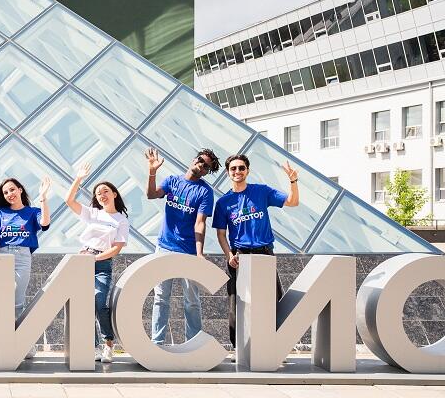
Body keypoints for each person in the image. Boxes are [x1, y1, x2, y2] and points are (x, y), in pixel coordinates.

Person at [212, 154, 300, 345]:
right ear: (227, 173)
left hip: (264, 252)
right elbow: (221, 234)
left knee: (273, 301)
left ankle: (275, 345)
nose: (237, 171)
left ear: (248, 170)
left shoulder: (261, 191)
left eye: (241, 168)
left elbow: (293, 202)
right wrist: (229, 255)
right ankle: (239, 348)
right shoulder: (223, 202)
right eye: (233, 168)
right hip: (239, 256)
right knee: (237, 303)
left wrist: (293, 181)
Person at [145, 146, 220, 345]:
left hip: (188, 251)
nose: (201, 165)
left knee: (192, 300)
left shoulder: (205, 192)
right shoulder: (172, 181)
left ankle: (193, 344)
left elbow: (200, 223)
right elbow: (151, 194)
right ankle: (157, 343)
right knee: (161, 297)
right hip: (164, 247)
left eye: (206, 166)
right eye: (200, 160)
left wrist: (199, 253)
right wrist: (152, 171)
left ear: (207, 172)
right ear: (194, 159)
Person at [65, 163, 130, 363]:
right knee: (84, 305)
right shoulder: (93, 213)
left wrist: (95, 258)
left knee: (101, 303)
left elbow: (117, 248)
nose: (102, 195)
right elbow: (69, 201)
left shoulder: (121, 220)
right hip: (83, 260)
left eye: (105, 191)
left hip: (102, 263)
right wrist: (78, 178)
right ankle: (91, 347)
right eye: (98, 193)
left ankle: (108, 345)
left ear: (114, 194)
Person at [0, 176, 51, 358]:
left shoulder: (32, 212)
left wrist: (43, 197)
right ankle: (6, 342)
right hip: (2, 256)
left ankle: (23, 342)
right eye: (5, 192)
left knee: (17, 299)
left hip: (22, 256)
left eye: (12, 189)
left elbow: (45, 223)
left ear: (20, 190)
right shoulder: (0, 213)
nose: (9, 194)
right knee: (2, 301)